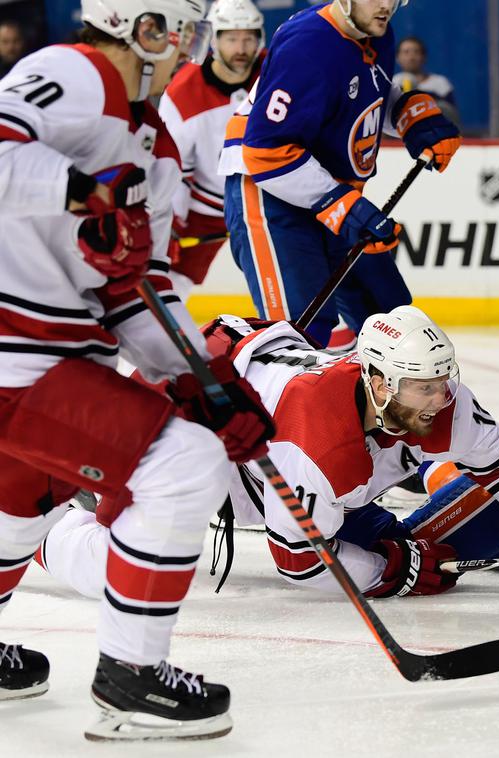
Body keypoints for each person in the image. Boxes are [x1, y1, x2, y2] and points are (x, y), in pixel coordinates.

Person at [0, 0, 274, 740]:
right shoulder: (75, 72)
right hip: (14, 356)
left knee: (20, 505)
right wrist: (81, 191)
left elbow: (135, 290)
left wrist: (204, 382)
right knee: (184, 467)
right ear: (141, 25)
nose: (189, 48)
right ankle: (132, 678)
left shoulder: (153, 144)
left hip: (51, 356)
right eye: (181, 30)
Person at [41, 307, 499, 599]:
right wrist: (388, 574)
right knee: (124, 572)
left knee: (377, 532)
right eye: (422, 387)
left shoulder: (448, 407)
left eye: (442, 382)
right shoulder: (317, 446)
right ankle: (38, 525)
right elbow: (300, 564)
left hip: (256, 397)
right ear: (377, 381)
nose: (440, 399)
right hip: (176, 428)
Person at [219, 0, 462, 347]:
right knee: (299, 335)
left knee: (385, 313)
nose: (386, 6)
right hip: (268, 190)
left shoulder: (374, 29)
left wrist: (410, 116)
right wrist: (344, 208)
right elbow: (266, 150)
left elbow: (368, 91)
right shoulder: (306, 45)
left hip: (326, 187)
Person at [159, 0, 264, 301]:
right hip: (205, 208)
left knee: (292, 274)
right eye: (231, 38)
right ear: (214, 40)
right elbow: (174, 168)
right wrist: (173, 224)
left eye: (248, 37)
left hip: (267, 202)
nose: (241, 47)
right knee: (174, 281)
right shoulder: (182, 94)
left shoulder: (274, 73)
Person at [391, 35, 458, 125]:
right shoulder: (393, 83)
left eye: (416, 52)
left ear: (424, 57)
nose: (411, 57)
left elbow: (451, 116)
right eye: (406, 52)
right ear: (397, 58)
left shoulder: (440, 83)